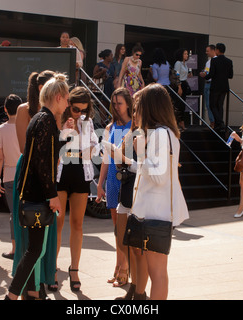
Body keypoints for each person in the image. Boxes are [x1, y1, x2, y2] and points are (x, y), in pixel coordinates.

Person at [6, 73, 68, 300]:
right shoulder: (46, 121)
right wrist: (53, 195)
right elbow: (43, 163)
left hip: (30, 192)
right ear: (59, 97)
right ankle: (12, 296)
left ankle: (31, 292)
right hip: (37, 195)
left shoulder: (40, 118)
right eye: (67, 98)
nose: (68, 103)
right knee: (35, 250)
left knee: (33, 248)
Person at [131, 83, 189, 300]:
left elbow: (158, 176)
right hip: (156, 210)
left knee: (158, 272)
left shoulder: (160, 135)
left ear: (150, 107)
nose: (136, 112)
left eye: (139, 106)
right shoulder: (167, 133)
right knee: (157, 270)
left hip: (156, 212)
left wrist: (140, 154)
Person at [12, 70, 56, 300]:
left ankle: (37, 285)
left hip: (47, 173)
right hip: (30, 171)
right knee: (30, 237)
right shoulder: (25, 110)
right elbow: (23, 149)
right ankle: (29, 287)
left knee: (43, 239)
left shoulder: (52, 114)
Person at [56, 87, 99, 292]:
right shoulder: (58, 119)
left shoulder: (87, 122)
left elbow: (93, 148)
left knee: (77, 224)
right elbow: (59, 151)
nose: (79, 113)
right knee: (57, 222)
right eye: (75, 109)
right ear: (68, 104)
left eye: (84, 110)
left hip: (81, 176)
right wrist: (66, 130)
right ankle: (52, 269)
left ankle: (74, 269)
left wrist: (83, 152)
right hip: (61, 175)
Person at [96, 87, 133, 287]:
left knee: (125, 226)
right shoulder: (110, 127)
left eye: (120, 103)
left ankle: (124, 268)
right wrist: (100, 184)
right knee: (116, 227)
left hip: (127, 177)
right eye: (114, 103)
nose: (116, 106)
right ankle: (119, 267)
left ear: (128, 103)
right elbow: (105, 158)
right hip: (112, 178)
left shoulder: (135, 126)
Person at [0, 94, 22, 260]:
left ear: (5, 109)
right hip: (26, 174)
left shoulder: (0, 130)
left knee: (14, 213)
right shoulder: (26, 126)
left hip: (9, 175)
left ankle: (15, 248)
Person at [202, 43, 233, 133]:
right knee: (220, 105)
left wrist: (204, 76)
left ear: (217, 50)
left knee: (212, 105)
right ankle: (219, 125)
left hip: (215, 86)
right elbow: (230, 75)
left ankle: (220, 123)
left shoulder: (214, 61)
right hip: (224, 86)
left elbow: (211, 74)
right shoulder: (229, 61)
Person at [199, 45, 216, 127]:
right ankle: (212, 121)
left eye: (207, 51)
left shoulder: (216, 61)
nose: (206, 53)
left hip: (213, 84)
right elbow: (206, 72)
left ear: (213, 50)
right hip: (207, 83)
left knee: (213, 104)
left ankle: (214, 122)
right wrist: (203, 74)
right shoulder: (208, 62)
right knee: (208, 104)